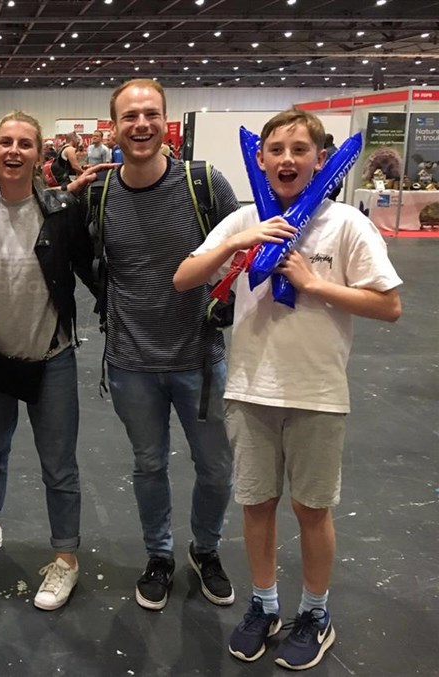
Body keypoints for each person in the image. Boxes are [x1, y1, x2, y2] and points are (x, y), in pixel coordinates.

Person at [174, 107, 402, 670]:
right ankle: (265, 605)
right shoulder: (245, 218)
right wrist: (239, 240)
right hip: (250, 389)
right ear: (260, 158)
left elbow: (388, 305)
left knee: (312, 509)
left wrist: (312, 283)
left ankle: (315, 613)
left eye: (300, 150)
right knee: (256, 505)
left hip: (317, 393)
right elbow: (184, 277)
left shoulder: (345, 224)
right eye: (276, 149)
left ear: (320, 160)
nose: (287, 159)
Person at [0, 111, 95, 611]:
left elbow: (93, 270)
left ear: (40, 151)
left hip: (51, 355)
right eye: (5, 142)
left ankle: (66, 557)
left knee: (59, 465)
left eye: (24, 143)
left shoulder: (62, 210)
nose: (13, 151)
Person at [101, 79, 239, 612]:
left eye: (150, 114)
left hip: (199, 359)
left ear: (166, 121)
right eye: (129, 116)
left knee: (217, 467)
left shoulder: (205, 183)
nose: (141, 125)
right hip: (132, 363)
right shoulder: (100, 194)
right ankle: (158, 555)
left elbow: (241, 247)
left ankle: (206, 550)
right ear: (115, 126)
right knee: (149, 465)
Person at [324, 133, 342, 201]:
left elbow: (323, 168)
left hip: (329, 184)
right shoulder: (338, 150)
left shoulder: (326, 152)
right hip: (338, 184)